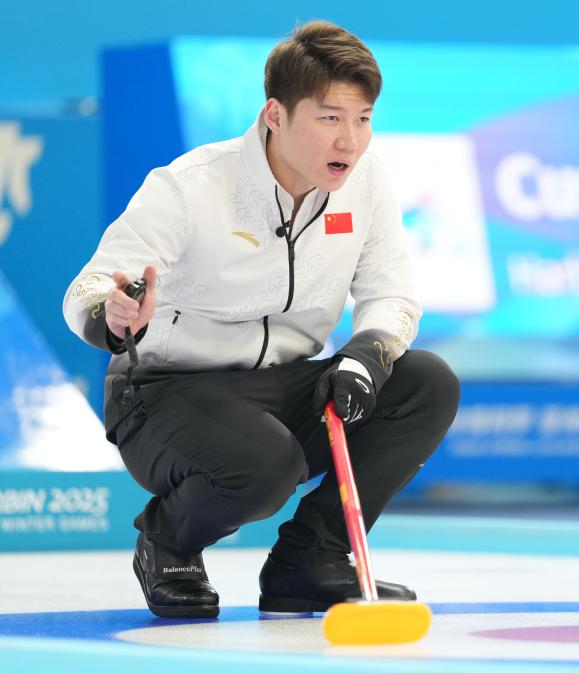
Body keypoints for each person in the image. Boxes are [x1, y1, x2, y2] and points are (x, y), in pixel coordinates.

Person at [62, 20, 460, 618]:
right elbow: (88, 287)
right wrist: (112, 313)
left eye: (363, 119)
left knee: (426, 381)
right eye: (330, 117)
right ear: (275, 114)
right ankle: (168, 541)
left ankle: (312, 559)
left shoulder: (368, 183)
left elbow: (392, 294)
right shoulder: (192, 185)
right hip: (167, 392)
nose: (350, 141)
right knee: (267, 464)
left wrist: (365, 356)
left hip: (286, 381)